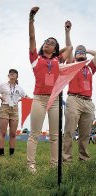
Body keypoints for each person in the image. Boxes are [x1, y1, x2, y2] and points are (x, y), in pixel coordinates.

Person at [27, 7, 73, 173]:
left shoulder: (58, 61)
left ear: (55, 49)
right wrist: (31, 18)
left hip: (54, 100)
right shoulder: (35, 58)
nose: (48, 42)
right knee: (34, 134)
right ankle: (31, 165)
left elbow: (69, 49)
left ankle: (54, 165)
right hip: (38, 99)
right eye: (47, 41)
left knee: (55, 136)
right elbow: (32, 37)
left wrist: (65, 34)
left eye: (52, 43)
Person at [62, 20, 96, 162]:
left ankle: (84, 159)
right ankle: (67, 160)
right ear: (75, 55)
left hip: (88, 102)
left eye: (82, 52)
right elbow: (69, 47)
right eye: (78, 52)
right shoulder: (72, 65)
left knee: (85, 133)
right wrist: (67, 32)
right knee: (69, 131)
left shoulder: (89, 67)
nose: (80, 53)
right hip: (74, 99)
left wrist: (85, 49)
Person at [0, 69, 28, 156]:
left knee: (13, 133)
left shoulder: (19, 88)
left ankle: (11, 154)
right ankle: (1, 153)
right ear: (8, 75)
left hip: (14, 109)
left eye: (14, 73)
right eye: (10, 73)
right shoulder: (2, 85)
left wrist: (35, 100)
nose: (12, 74)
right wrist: (0, 97)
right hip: (5, 107)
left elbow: (26, 97)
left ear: (17, 76)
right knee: (3, 132)